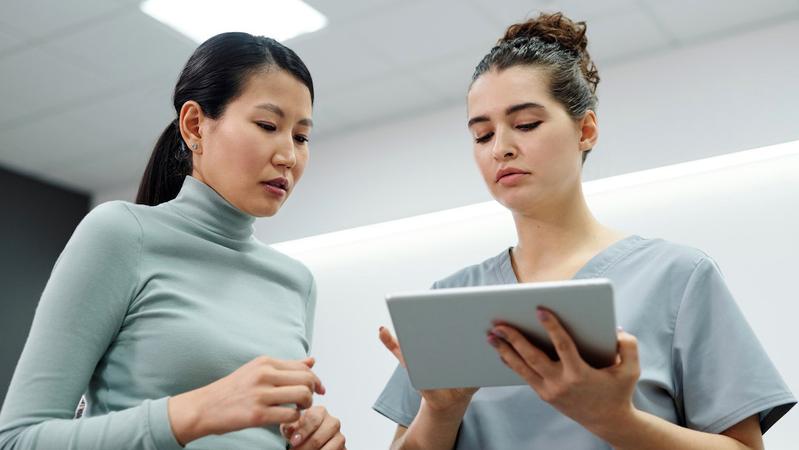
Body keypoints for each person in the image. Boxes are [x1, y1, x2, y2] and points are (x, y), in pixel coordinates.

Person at [374, 12, 795, 450]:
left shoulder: (678, 278)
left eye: (526, 124)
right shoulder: (449, 300)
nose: (501, 148)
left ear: (586, 130)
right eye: (482, 134)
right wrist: (442, 411)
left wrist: (616, 420)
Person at [0, 32, 345, 450]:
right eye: (268, 126)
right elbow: (18, 439)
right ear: (195, 124)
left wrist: (307, 438)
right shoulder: (121, 234)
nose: (288, 155)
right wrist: (196, 412)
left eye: (301, 137)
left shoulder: (297, 282)